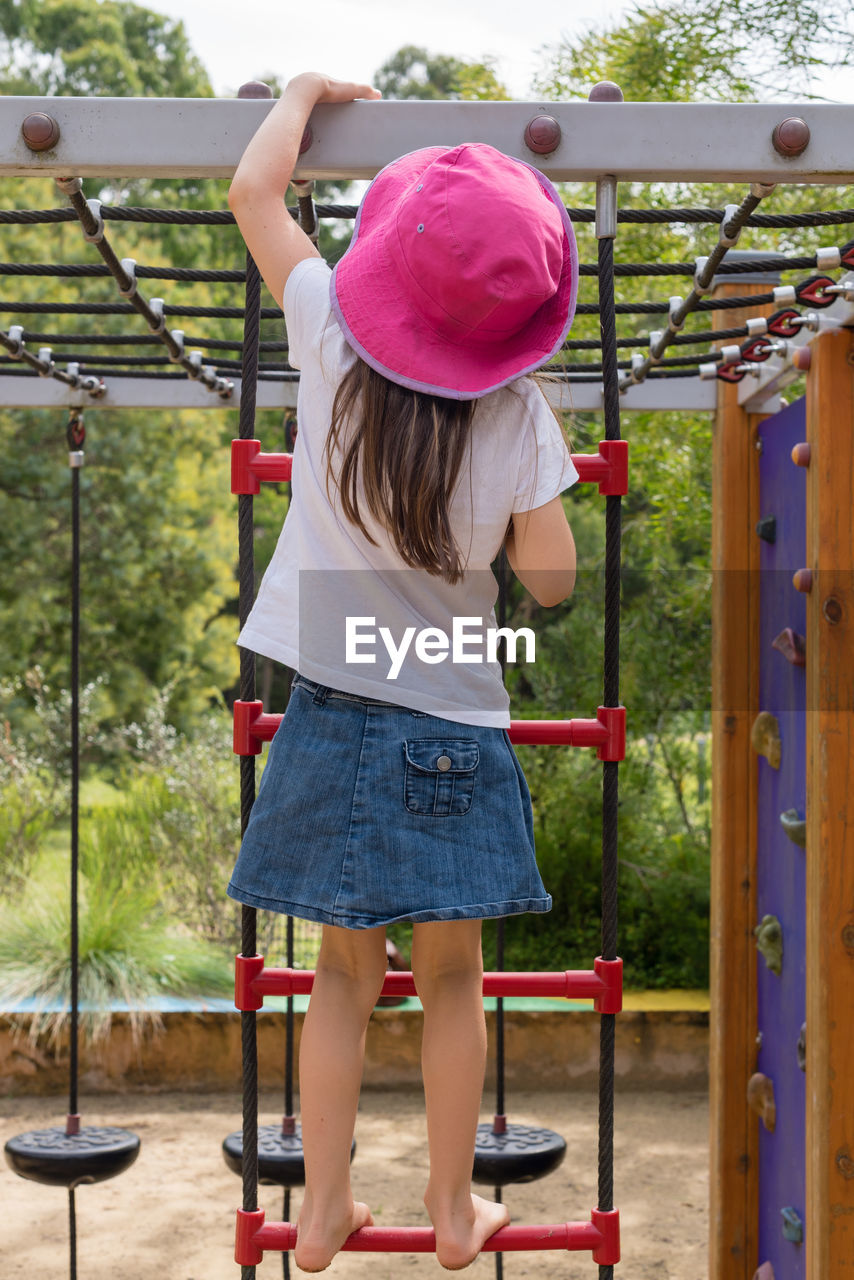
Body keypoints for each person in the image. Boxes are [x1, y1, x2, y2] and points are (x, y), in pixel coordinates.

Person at [226, 72, 579, 1273]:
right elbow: (546, 582)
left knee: (336, 972)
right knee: (449, 978)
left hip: (324, 706)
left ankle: (319, 1207)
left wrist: (301, 98)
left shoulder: (326, 325)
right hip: (447, 715)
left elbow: (252, 191)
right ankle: (447, 1205)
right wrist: (535, 482)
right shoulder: (518, 415)